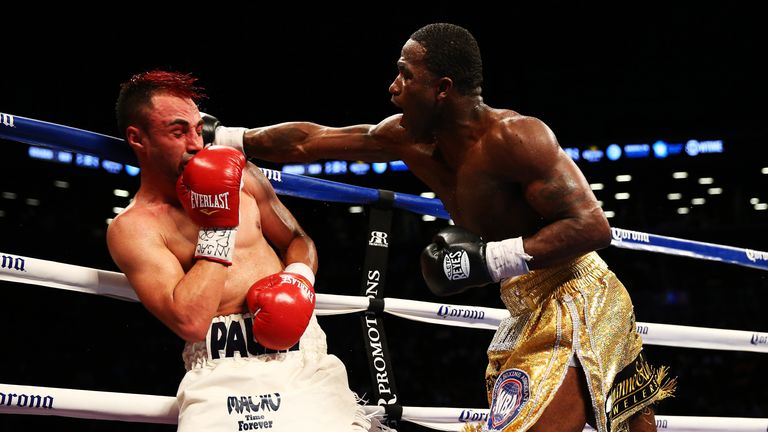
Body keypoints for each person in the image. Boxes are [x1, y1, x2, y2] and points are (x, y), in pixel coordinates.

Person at [205, 23, 675, 432]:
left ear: (442, 88)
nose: (393, 86)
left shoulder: (516, 137)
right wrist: (223, 138)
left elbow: (593, 226)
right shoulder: (406, 138)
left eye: (406, 75)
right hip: (523, 301)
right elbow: (313, 140)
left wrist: (488, 259)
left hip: (575, 296)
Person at [107, 70, 388, 432]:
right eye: (178, 132)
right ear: (137, 138)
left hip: (301, 360)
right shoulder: (134, 228)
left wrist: (297, 280)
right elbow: (190, 320)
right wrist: (218, 223)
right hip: (219, 371)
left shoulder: (242, 175)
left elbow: (297, 241)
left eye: (197, 128)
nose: (195, 143)